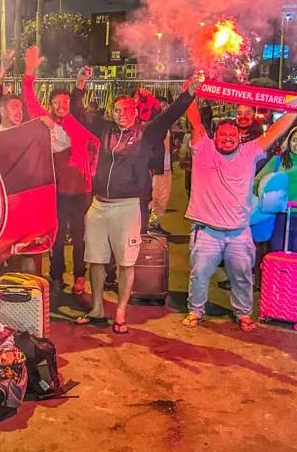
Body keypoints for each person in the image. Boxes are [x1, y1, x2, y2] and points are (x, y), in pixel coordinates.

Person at [76, 72, 203, 334]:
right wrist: (80, 86)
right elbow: (79, 115)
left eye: (126, 109)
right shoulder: (105, 129)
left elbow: (170, 116)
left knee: (126, 262)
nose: (121, 113)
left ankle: (120, 311)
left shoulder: (146, 133)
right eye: (117, 109)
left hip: (127, 206)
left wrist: (189, 93)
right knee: (96, 260)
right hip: (99, 205)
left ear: (135, 112)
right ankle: (97, 308)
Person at [181, 95, 297, 332]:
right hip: (206, 231)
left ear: (239, 138)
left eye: (232, 136)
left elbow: (273, 133)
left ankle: (243, 313)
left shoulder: (249, 152)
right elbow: (196, 122)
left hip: (239, 231)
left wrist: (293, 111)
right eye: (223, 135)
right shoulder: (203, 148)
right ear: (215, 136)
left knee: (243, 276)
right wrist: (189, 93)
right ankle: (195, 311)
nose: (227, 139)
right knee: (199, 275)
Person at [19, 48, 100, 297]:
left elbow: (94, 141)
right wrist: (29, 71)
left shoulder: (78, 121)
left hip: (81, 191)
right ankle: (56, 276)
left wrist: (80, 83)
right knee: (55, 236)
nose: (61, 106)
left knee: (79, 237)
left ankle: (78, 277)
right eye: (56, 103)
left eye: (64, 102)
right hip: (56, 190)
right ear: (51, 105)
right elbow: (29, 99)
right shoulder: (46, 122)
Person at [0, 67, 72, 152]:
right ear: (2, 111)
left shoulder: (30, 136)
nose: (19, 111)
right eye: (14, 107)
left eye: (20, 108)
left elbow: (63, 144)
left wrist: (53, 126)